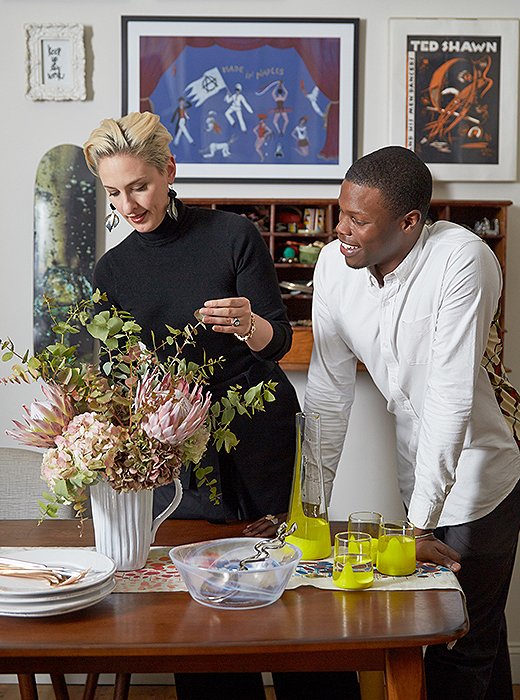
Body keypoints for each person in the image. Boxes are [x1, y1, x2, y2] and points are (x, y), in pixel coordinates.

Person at [304, 145, 520, 700]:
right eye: (339, 212)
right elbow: (328, 394)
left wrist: (417, 528)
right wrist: (311, 506)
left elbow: (450, 396)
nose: (340, 230)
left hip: (479, 479)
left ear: (409, 222)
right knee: (469, 641)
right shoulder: (334, 266)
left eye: (358, 219)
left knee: (460, 646)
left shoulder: (462, 259)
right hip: (413, 475)